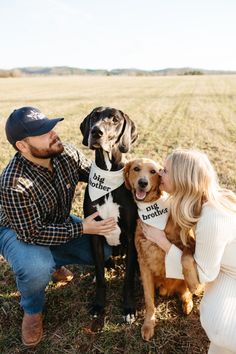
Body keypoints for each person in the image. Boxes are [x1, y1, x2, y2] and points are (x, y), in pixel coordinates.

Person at [0, 106, 116, 347]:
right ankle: (32, 310)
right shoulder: (13, 182)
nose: (54, 133)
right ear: (22, 146)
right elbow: (32, 233)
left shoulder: (65, 154)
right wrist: (83, 228)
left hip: (58, 222)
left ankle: (55, 262)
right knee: (35, 268)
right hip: (17, 231)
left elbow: (100, 177)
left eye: (51, 126)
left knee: (104, 251)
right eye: (43, 132)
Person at [142, 148, 236, 354]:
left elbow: (203, 276)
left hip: (230, 273)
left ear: (182, 178)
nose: (159, 173)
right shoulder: (202, 202)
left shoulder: (212, 218)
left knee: (216, 323)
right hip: (229, 267)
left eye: (165, 170)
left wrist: (162, 241)